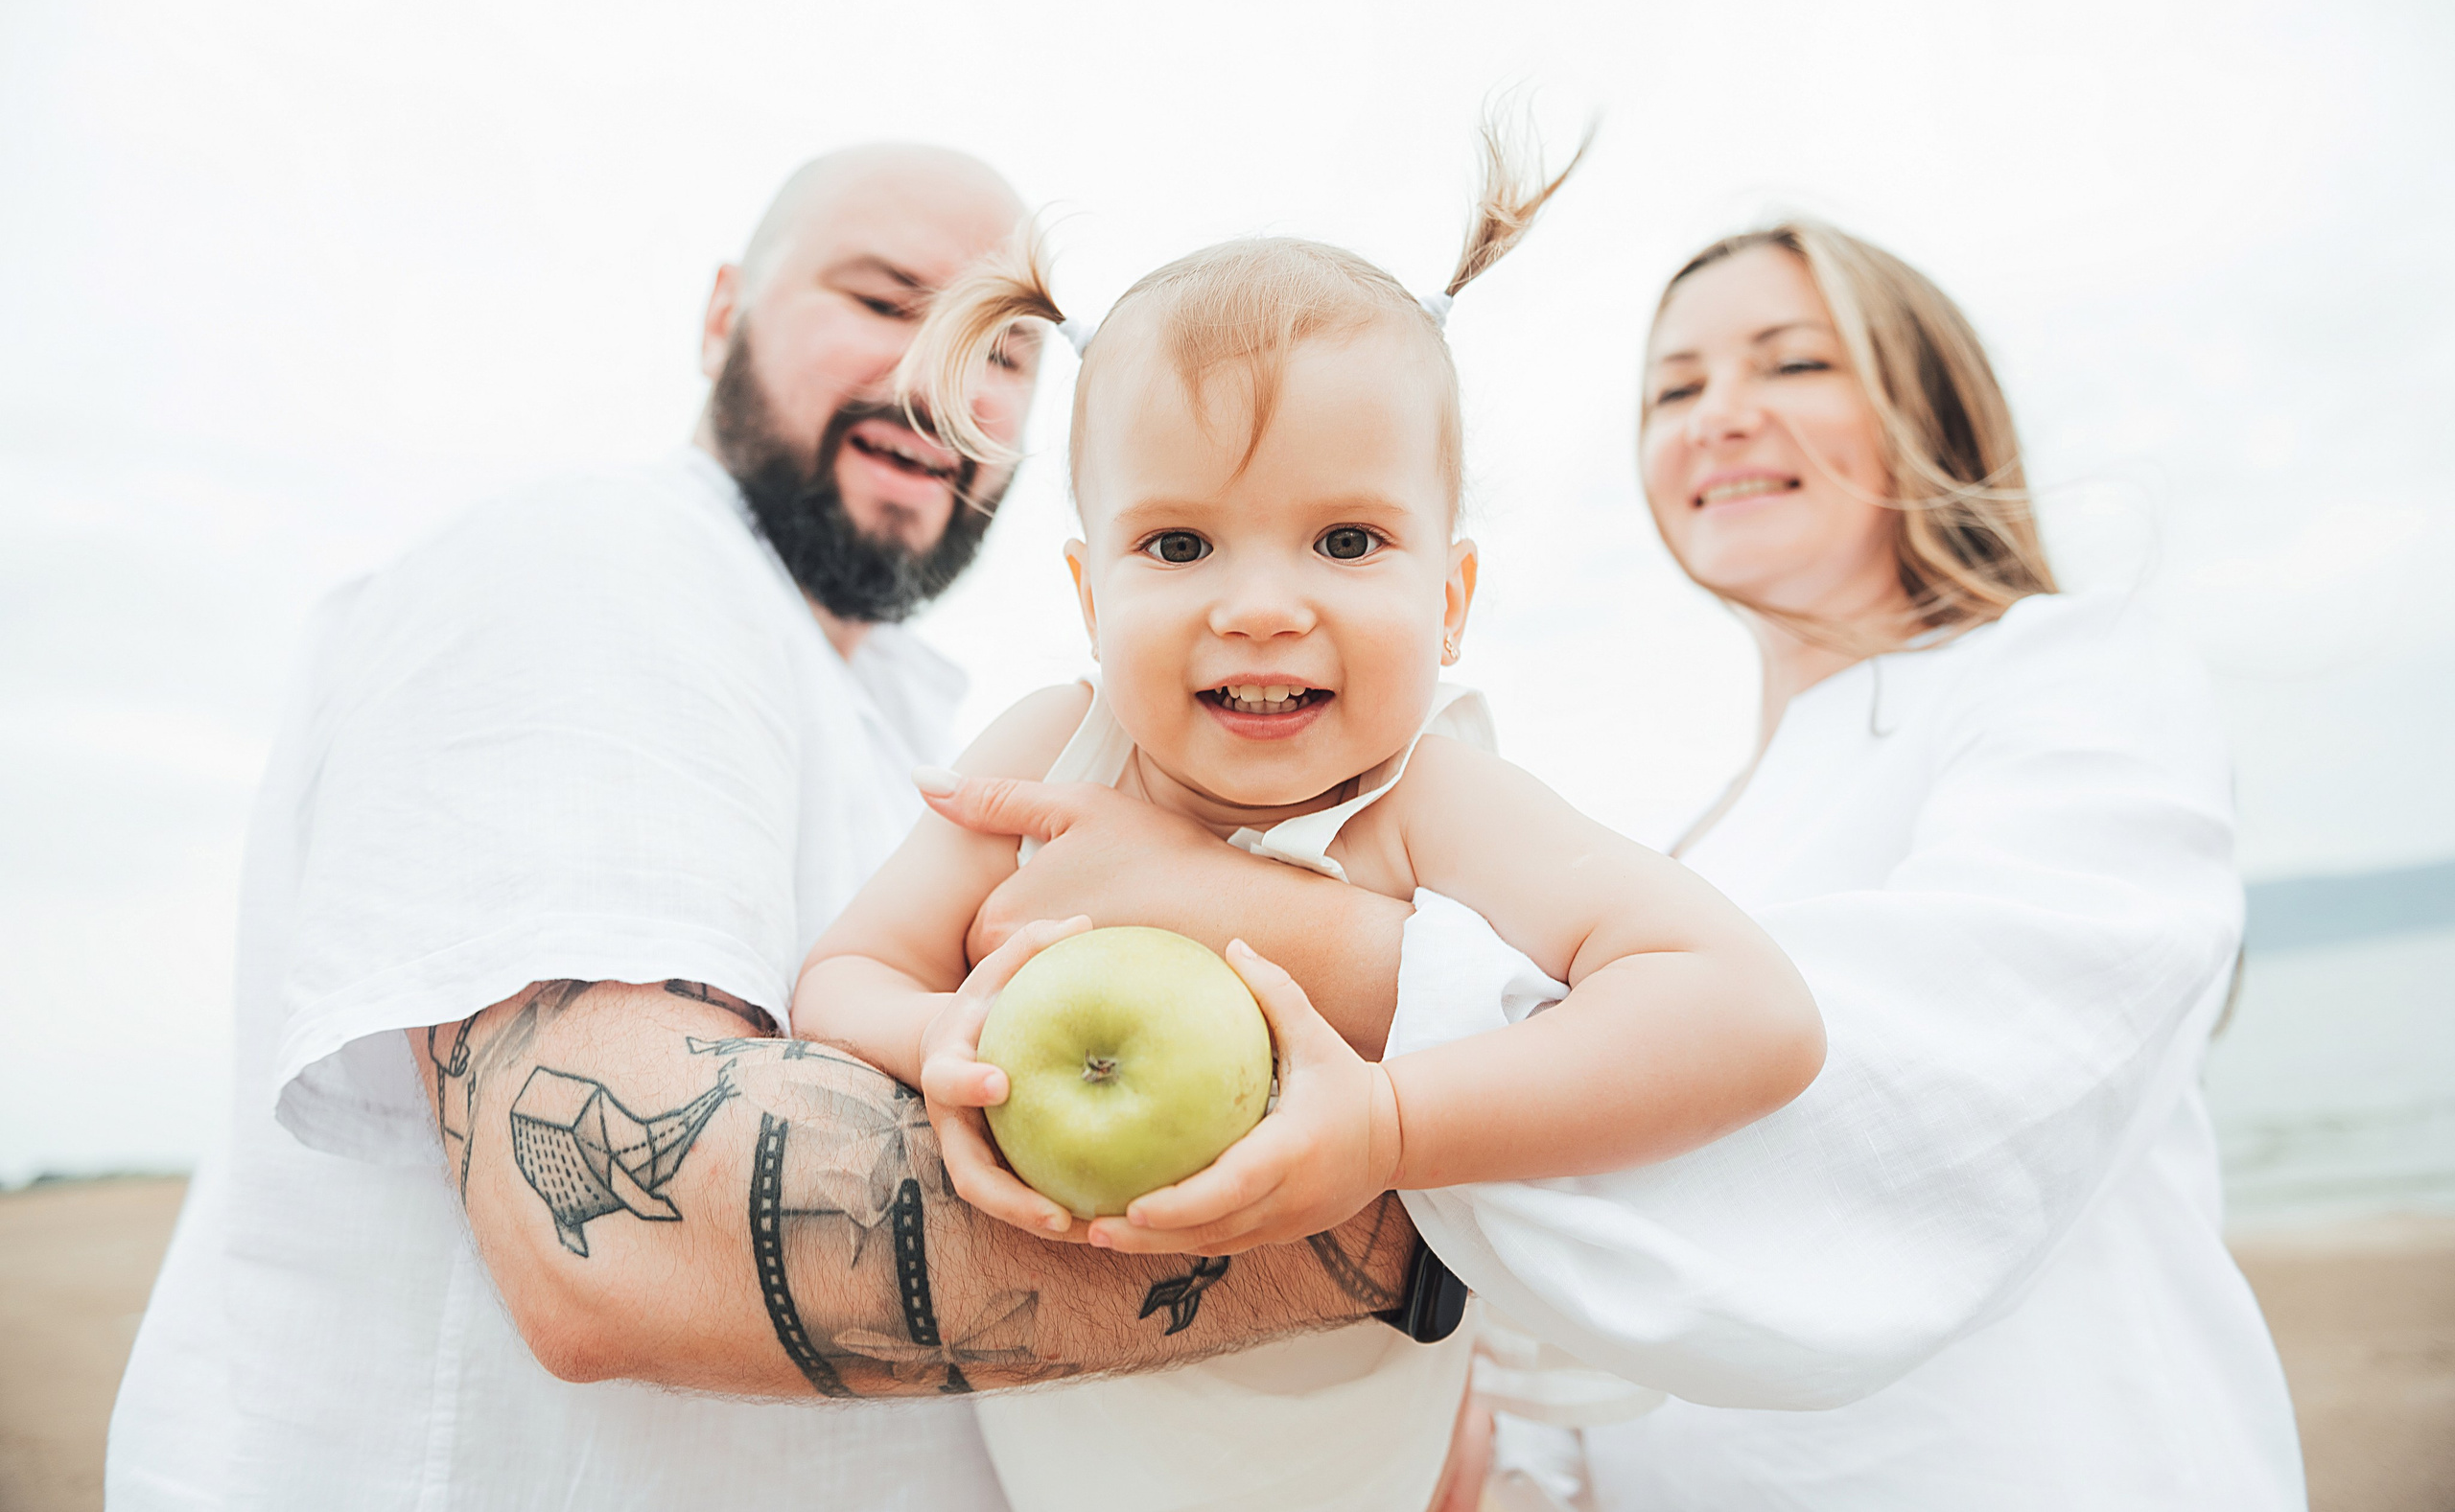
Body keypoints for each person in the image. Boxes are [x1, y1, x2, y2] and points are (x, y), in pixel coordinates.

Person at [105, 144, 1439, 1512]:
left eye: (1002, 356)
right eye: (881, 299)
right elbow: (618, 1240)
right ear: (720, 310)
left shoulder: (941, 734)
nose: (939, 381)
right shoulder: (597, 564)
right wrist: (1453, 1214)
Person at [790, 128, 1824, 1512]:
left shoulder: (1430, 802)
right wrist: (943, 1038)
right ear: (1092, 599)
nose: (1262, 602)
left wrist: (1392, 1122)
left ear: (1449, 601)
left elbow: (1751, 1012)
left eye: (1345, 541)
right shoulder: (1053, 757)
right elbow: (842, 975)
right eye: (1179, 544)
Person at [1364, 219, 2305, 1509]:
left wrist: (1380, 1007)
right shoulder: (1679, 854)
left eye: (1792, 364)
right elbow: (1578, 1339)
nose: (1721, 417)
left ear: (1927, 405)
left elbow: (1960, 1047)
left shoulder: (2063, 668)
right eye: (1676, 389)